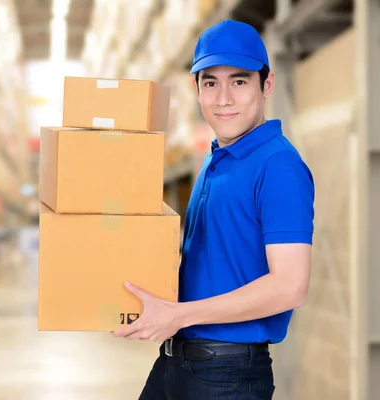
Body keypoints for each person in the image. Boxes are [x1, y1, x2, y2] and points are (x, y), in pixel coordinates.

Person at [111, 19, 315, 400]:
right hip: (177, 361)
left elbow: (291, 286)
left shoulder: (278, 165)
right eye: (211, 83)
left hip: (228, 377)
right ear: (196, 89)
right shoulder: (214, 160)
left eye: (239, 81)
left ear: (266, 85)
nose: (223, 98)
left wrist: (178, 315)